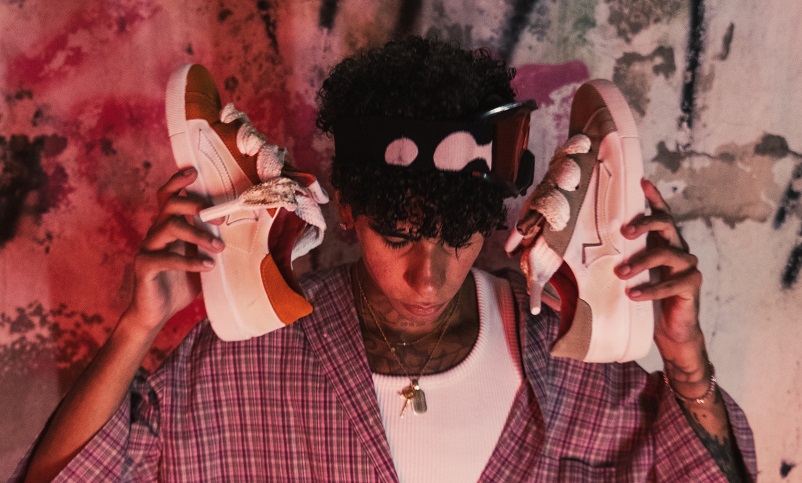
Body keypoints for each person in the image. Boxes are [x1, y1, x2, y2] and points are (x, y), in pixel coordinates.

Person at [15, 37, 755, 482]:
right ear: (349, 210)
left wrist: (686, 362)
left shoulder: (566, 367)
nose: (428, 277)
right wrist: (138, 327)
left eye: (456, 237)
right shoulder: (240, 364)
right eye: (399, 236)